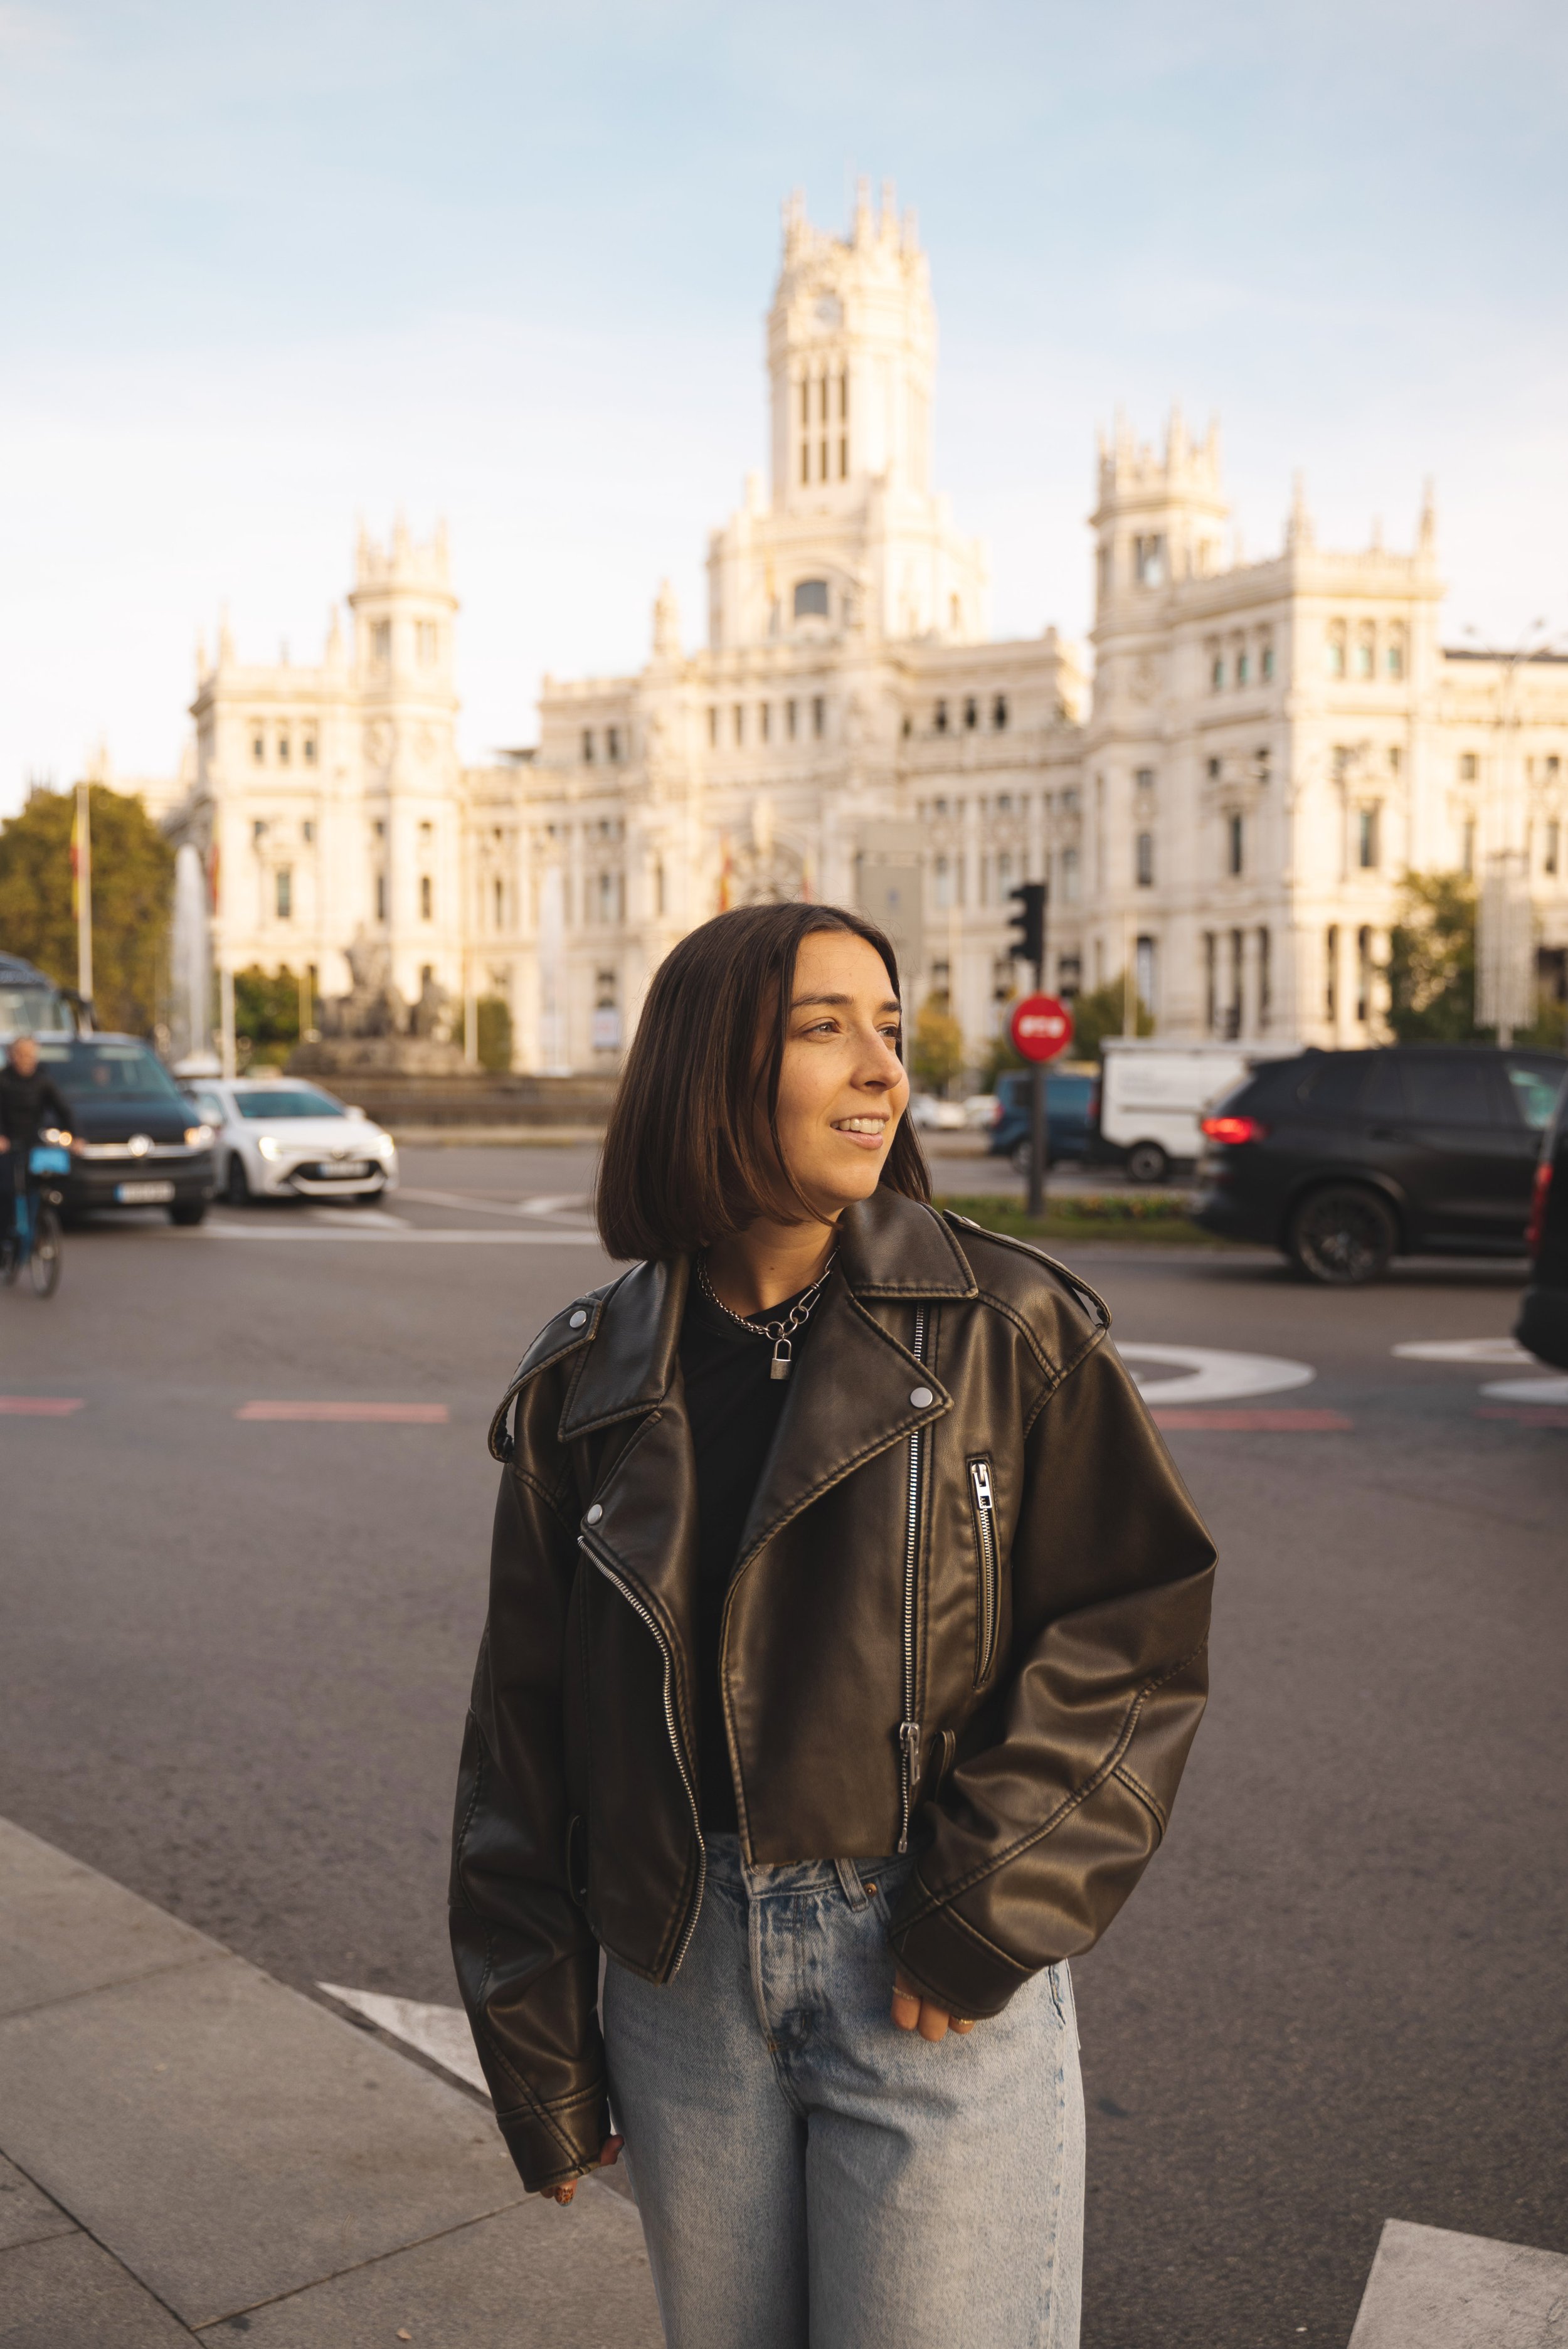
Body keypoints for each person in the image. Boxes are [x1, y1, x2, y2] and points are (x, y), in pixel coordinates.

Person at [450, 903, 1216, 2349]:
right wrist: (538, 2036)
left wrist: (987, 1904)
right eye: (825, 1030)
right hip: (676, 1984)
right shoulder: (587, 1378)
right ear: (707, 1068)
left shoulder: (1010, 1325)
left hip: (922, 1969)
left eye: (891, 1032)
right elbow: (523, 1731)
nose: (881, 1072)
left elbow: (1136, 1632)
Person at [0, 1035, 73, 1248]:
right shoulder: (3, 1080)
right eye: (21, 1055)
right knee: (7, 1191)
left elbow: (63, 1109)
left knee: (44, 1181)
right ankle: (6, 1236)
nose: (26, 1060)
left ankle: (41, 1226)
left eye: (30, 1055)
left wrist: (75, 1134)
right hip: (7, 1144)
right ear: (11, 1056)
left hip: (33, 1142)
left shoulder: (43, 1081)